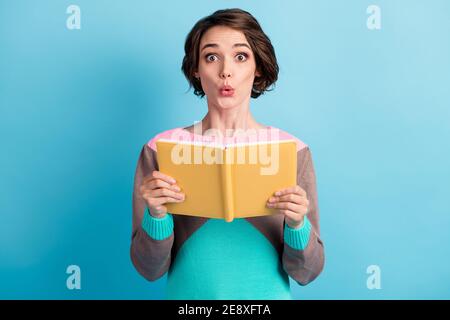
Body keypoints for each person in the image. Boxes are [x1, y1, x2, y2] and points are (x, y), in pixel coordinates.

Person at [130, 8, 324, 299]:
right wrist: (156, 216)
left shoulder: (292, 151)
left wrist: (297, 224)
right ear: (196, 68)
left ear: (258, 67)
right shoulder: (160, 149)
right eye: (211, 57)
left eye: (241, 56)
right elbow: (149, 269)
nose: (225, 71)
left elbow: (307, 272)